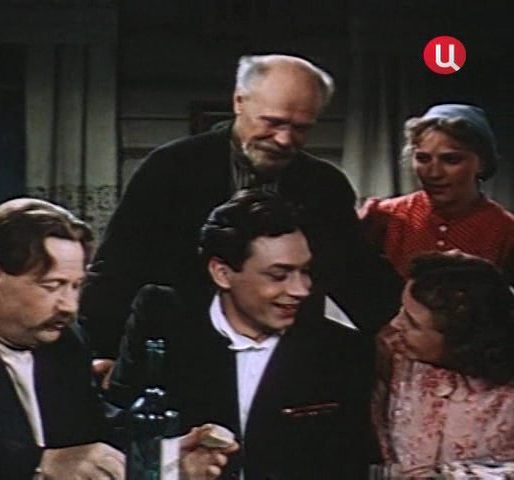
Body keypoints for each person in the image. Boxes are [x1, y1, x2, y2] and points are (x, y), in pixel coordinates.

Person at [0, 198, 235, 480]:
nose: (69, 306)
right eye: (53, 286)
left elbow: (95, 432)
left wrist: (165, 456)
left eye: (76, 287)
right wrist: (39, 462)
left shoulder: (64, 344)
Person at [83, 54, 402, 370]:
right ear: (239, 101)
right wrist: (103, 350)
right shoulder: (171, 168)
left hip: (284, 361)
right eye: (273, 122)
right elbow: (119, 266)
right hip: (181, 353)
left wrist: (402, 331)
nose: (284, 139)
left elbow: (354, 273)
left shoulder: (324, 185)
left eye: (301, 128)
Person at [107, 190, 376, 479]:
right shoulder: (162, 320)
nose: (301, 290)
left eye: (305, 271)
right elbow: (117, 432)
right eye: (279, 275)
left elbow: (349, 464)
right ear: (222, 273)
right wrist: (172, 465)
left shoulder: (342, 351)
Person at [372, 252, 514, 476]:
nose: (395, 324)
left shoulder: (507, 400)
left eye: (412, 323)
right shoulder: (392, 350)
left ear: (460, 341)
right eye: (401, 311)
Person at [360, 103, 514, 282]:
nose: (434, 173)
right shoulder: (384, 216)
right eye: (423, 158)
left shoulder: (505, 230)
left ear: (482, 163)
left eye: (451, 160)